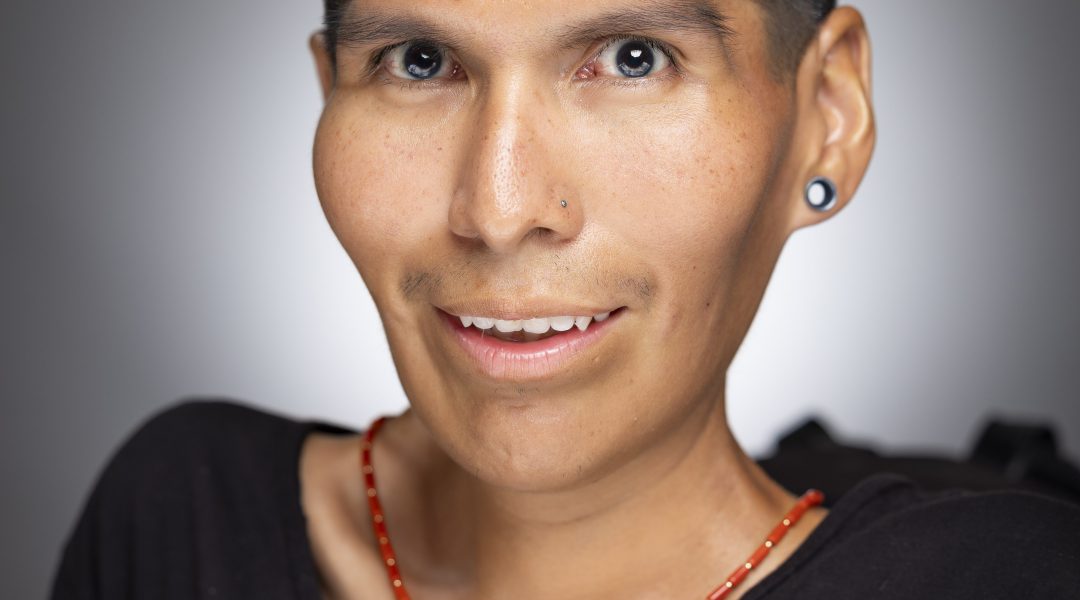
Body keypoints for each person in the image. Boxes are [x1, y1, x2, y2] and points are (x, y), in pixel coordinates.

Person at [51, 1, 1080, 598]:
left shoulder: (1002, 582)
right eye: (419, 62)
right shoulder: (178, 518)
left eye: (635, 58)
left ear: (827, 115)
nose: (500, 210)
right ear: (330, 95)